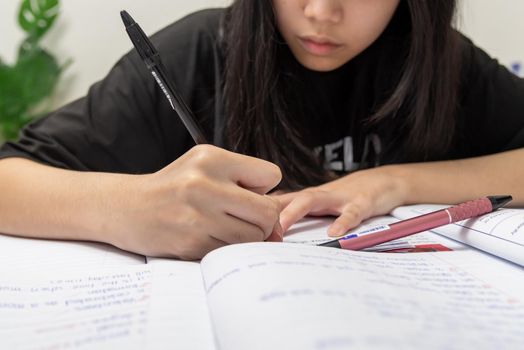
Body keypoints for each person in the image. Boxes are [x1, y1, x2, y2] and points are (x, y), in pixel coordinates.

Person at [0, 0, 523, 260]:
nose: (322, 13)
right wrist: (126, 208)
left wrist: (390, 183)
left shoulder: (437, 66)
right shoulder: (199, 55)